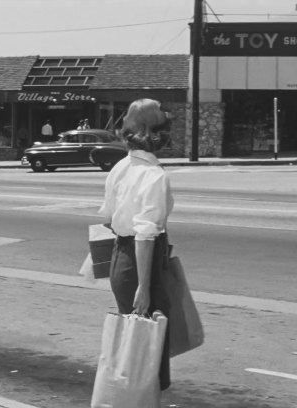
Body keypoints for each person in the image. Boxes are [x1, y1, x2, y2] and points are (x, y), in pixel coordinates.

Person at [97, 98, 174, 391]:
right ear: (155, 134)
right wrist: (144, 286)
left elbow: (107, 218)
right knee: (149, 354)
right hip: (143, 265)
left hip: (121, 258)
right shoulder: (154, 175)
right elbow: (145, 235)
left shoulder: (120, 168)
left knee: (134, 351)